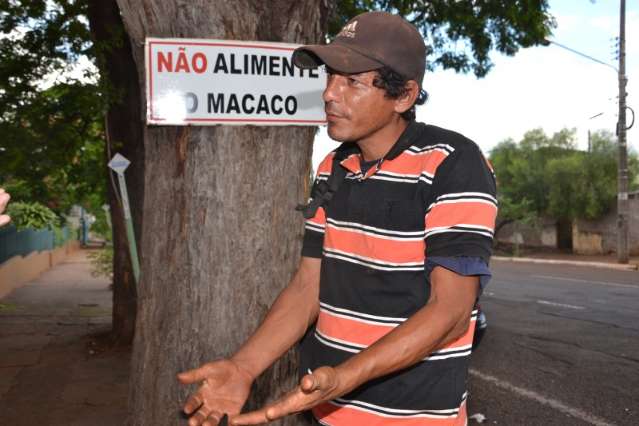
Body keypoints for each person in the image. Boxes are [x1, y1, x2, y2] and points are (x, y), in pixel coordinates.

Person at [178, 11, 497, 426]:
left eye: (352, 81)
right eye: (330, 77)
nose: (329, 93)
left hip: (411, 417)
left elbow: (450, 311)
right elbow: (309, 285)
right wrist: (243, 367)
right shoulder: (333, 166)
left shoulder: (452, 164)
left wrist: (343, 379)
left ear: (403, 96)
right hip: (325, 412)